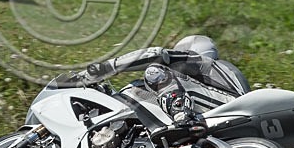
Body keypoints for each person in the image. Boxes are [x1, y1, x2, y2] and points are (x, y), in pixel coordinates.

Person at [74, 36, 250, 124]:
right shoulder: (206, 79)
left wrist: (100, 71)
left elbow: (156, 55)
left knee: (154, 72)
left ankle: (182, 117)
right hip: (220, 110)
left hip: (227, 106)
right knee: (137, 88)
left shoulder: (205, 63)